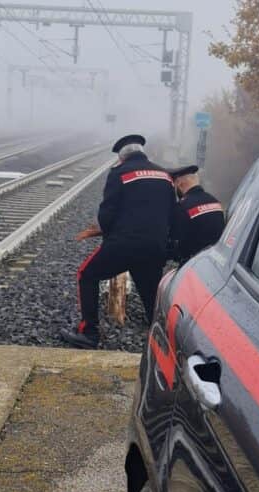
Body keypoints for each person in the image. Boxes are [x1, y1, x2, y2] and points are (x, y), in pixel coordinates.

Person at [59, 134, 174, 349]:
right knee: (151, 294)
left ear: (121, 157)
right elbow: (172, 213)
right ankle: (159, 341)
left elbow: (107, 214)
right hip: (154, 247)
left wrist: (111, 239)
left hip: (124, 244)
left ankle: (89, 332)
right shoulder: (164, 175)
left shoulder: (119, 173)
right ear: (142, 152)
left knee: (86, 274)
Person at [168, 165, 226, 263]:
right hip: (216, 261)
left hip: (194, 263)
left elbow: (178, 242)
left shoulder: (182, 207)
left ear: (179, 183)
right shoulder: (215, 202)